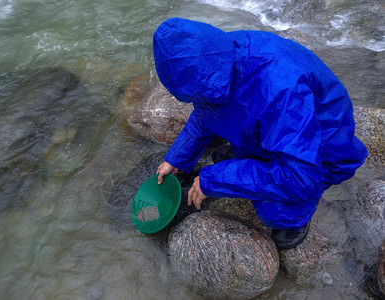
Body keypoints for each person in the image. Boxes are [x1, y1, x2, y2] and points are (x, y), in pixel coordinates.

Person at [154, 18, 367, 249]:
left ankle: (297, 216)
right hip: (284, 128)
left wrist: (215, 179)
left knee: (274, 212)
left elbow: (300, 177)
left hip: (321, 153)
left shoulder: (279, 89)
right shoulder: (219, 51)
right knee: (231, 156)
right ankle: (250, 158)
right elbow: (206, 109)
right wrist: (177, 158)